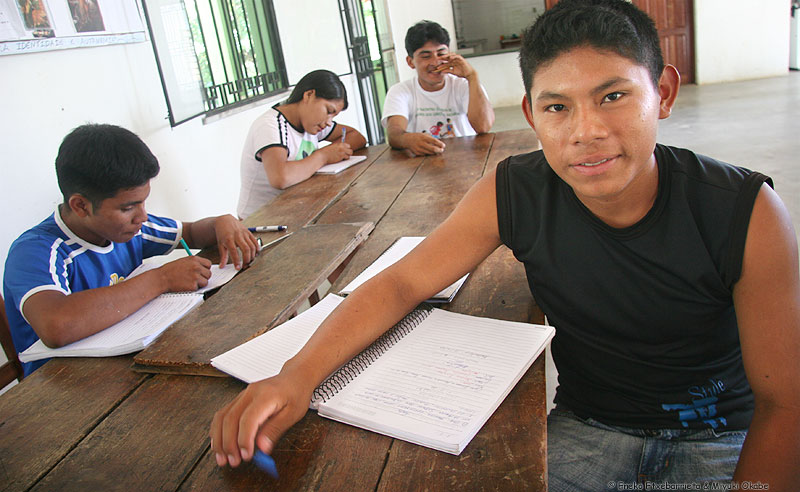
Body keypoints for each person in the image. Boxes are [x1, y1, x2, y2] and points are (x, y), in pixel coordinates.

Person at [210, 0, 800, 488]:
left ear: (664, 94)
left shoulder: (744, 212)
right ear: (532, 115)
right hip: (587, 429)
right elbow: (401, 282)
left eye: (614, 96)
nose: (586, 130)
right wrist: (297, 376)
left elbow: (785, 406)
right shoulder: (517, 192)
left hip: (724, 438)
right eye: (557, 107)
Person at [3, 123, 259, 376]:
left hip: (125, 368)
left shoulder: (128, 229)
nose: (142, 216)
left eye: (144, 202)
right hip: (61, 392)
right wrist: (162, 279)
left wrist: (221, 223)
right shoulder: (35, 251)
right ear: (81, 205)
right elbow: (56, 325)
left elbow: (190, 232)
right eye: (128, 208)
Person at [237, 69, 367, 219]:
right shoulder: (271, 125)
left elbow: (356, 136)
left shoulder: (313, 124)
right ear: (309, 95)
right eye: (328, 111)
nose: (328, 122)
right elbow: (280, 177)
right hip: (261, 223)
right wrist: (324, 156)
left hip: (297, 213)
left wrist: (337, 150)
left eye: (334, 116)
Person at [381, 20, 495, 156]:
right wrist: (407, 139)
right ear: (410, 62)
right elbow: (394, 134)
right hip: (422, 165)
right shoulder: (400, 91)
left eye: (441, 54)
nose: (435, 62)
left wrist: (471, 75)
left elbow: (483, 127)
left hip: (466, 157)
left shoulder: (464, 85)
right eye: (426, 56)